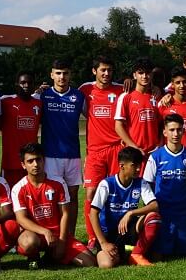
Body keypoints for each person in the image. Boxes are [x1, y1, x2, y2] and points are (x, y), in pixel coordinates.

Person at [11, 143, 96, 268]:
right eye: (30, 161)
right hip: (35, 234)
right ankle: (33, 256)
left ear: (43, 160)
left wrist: (62, 240)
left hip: (57, 234)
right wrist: (44, 231)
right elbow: (21, 218)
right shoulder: (18, 188)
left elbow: (65, 213)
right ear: (23, 165)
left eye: (38, 159)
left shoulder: (58, 182)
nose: (35, 164)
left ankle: (50, 256)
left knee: (90, 263)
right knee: (29, 243)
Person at [38, 58, 87, 241]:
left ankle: (70, 236)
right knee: (51, 196)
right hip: (50, 155)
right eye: (58, 73)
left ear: (70, 75)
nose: (62, 77)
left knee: (72, 196)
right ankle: (52, 236)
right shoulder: (43, 96)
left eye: (65, 73)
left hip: (73, 154)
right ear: (51, 75)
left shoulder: (78, 96)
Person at [88, 147, 161, 267]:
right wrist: (103, 243)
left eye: (139, 165)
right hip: (109, 234)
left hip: (129, 230)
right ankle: (119, 253)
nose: (138, 169)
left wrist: (130, 213)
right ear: (122, 166)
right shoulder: (106, 184)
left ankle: (136, 254)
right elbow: (93, 213)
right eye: (134, 166)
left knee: (154, 217)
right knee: (106, 264)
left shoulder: (140, 182)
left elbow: (154, 205)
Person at [79, 56, 125, 244]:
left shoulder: (121, 89)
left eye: (109, 70)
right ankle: (92, 237)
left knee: (116, 193)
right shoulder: (85, 89)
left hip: (116, 148)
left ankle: (114, 234)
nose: (106, 74)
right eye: (103, 70)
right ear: (94, 71)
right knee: (91, 193)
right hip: (95, 151)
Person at [142, 115, 186, 258]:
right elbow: (146, 184)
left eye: (179, 130)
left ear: (183, 131)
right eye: (172, 130)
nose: (176, 134)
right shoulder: (156, 156)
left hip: (183, 213)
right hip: (163, 211)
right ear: (164, 132)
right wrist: (151, 206)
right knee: (160, 254)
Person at [0, 71, 41, 188]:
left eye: (29, 83)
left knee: (32, 197)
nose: (26, 85)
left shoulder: (39, 103)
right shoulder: (5, 101)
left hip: (31, 162)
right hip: (10, 162)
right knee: (9, 198)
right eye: (23, 82)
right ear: (16, 84)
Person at [114, 57, 163, 160]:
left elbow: (162, 125)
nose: (145, 76)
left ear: (152, 75)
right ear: (134, 75)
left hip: (154, 153)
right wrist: (133, 147)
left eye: (148, 73)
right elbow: (118, 126)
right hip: (134, 153)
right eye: (141, 73)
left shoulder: (157, 96)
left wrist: (159, 144)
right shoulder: (126, 96)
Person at [159, 66, 186, 149]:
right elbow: (158, 130)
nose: (182, 85)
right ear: (172, 84)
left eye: (184, 82)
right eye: (178, 82)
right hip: (172, 153)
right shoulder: (164, 104)